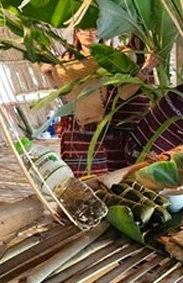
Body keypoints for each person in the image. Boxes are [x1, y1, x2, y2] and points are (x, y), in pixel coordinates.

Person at [42, 28, 151, 176]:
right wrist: (49, 73)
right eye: (82, 29)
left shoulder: (110, 57)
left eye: (93, 29)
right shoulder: (64, 60)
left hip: (103, 127)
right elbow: (64, 93)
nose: (88, 33)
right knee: (79, 179)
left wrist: (146, 68)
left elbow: (125, 92)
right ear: (75, 32)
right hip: (75, 127)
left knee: (104, 179)